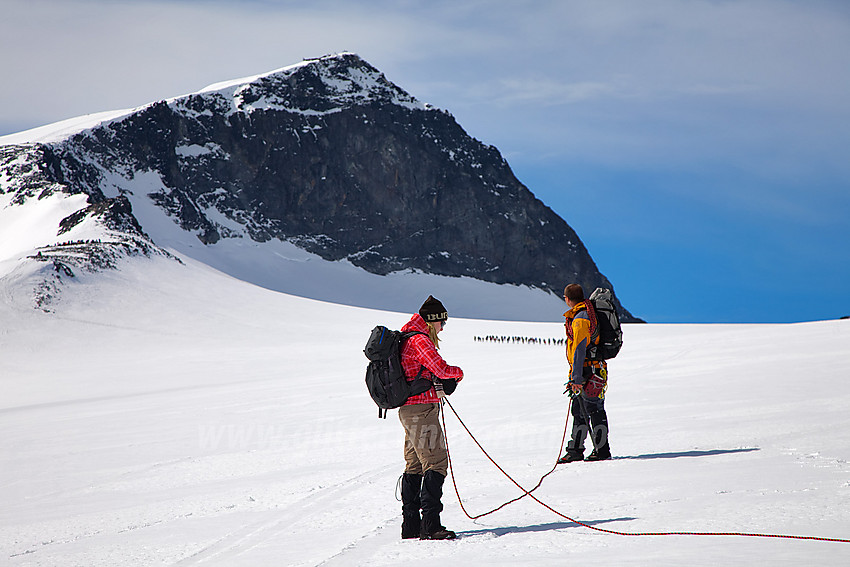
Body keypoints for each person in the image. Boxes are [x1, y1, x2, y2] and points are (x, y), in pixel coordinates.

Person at [398, 295, 464, 540]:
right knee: (435, 463)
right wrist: (458, 375)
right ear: (432, 320)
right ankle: (431, 525)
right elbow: (442, 369)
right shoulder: (419, 340)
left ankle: (412, 525)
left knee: (415, 465)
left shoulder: (408, 337)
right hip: (422, 410)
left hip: (410, 410)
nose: (443, 327)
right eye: (442, 323)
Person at [558, 283, 612, 463]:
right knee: (581, 409)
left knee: (592, 409)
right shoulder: (586, 312)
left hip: (588, 370)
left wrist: (576, 378)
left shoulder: (581, 318)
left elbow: (579, 349)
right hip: (594, 369)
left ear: (567, 298)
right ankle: (578, 449)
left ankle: (600, 450)